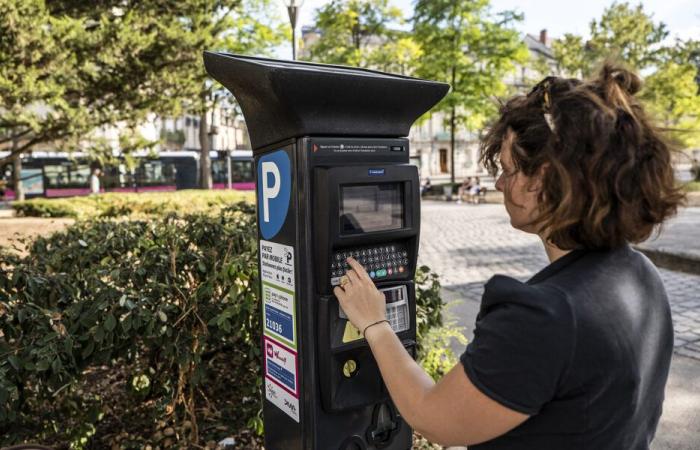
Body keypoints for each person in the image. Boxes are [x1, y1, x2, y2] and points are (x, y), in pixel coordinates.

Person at [333, 64, 683, 449]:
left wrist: (374, 323)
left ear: (547, 178)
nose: (499, 183)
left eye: (507, 169)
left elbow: (433, 417)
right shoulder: (640, 274)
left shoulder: (544, 317)